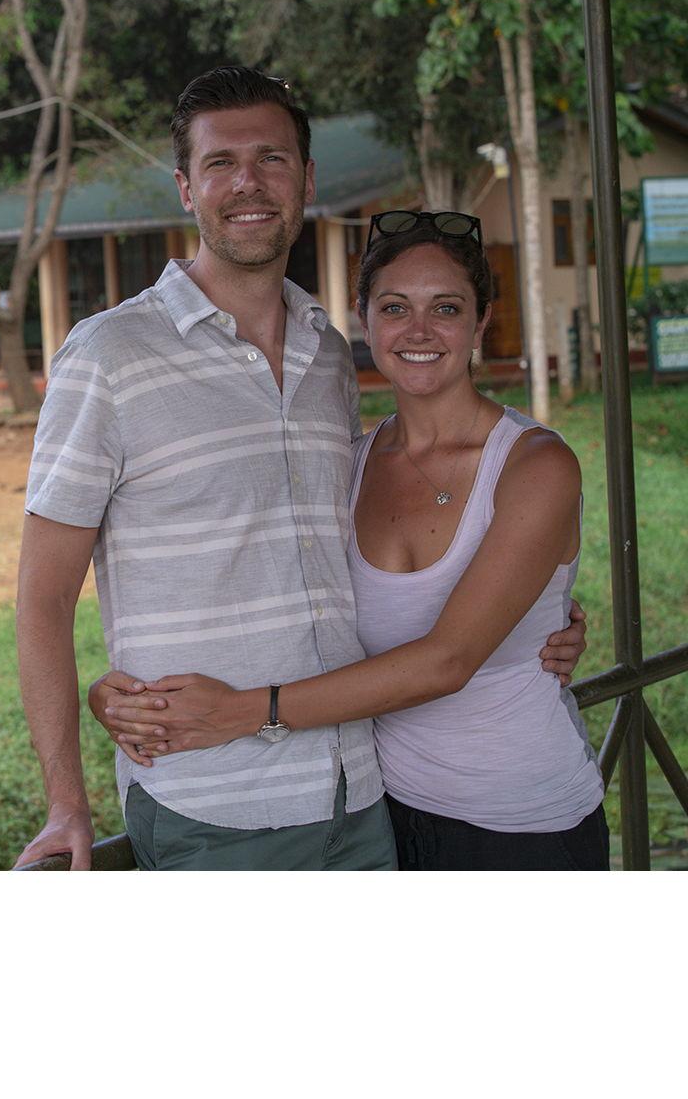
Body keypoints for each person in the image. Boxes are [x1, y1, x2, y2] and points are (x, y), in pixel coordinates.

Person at [13, 66, 587, 871]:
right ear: (186, 187)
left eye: (272, 159)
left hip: (359, 794)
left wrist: (545, 618)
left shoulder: (328, 356)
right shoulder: (108, 356)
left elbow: (381, 577)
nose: (248, 183)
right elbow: (40, 599)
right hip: (209, 802)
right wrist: (66, 802)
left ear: (307, 179)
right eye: (220, 163)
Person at [91, 209, 608, 870]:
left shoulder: (537, 465)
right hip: (379, 815)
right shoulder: (350, 464)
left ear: (480, 323)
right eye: (395, 307)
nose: (419, 330)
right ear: (366, 322)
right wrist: (121, 694)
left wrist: (243, 712)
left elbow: (449, 660)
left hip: (518, 822)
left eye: (446, 308)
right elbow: (270, 590)